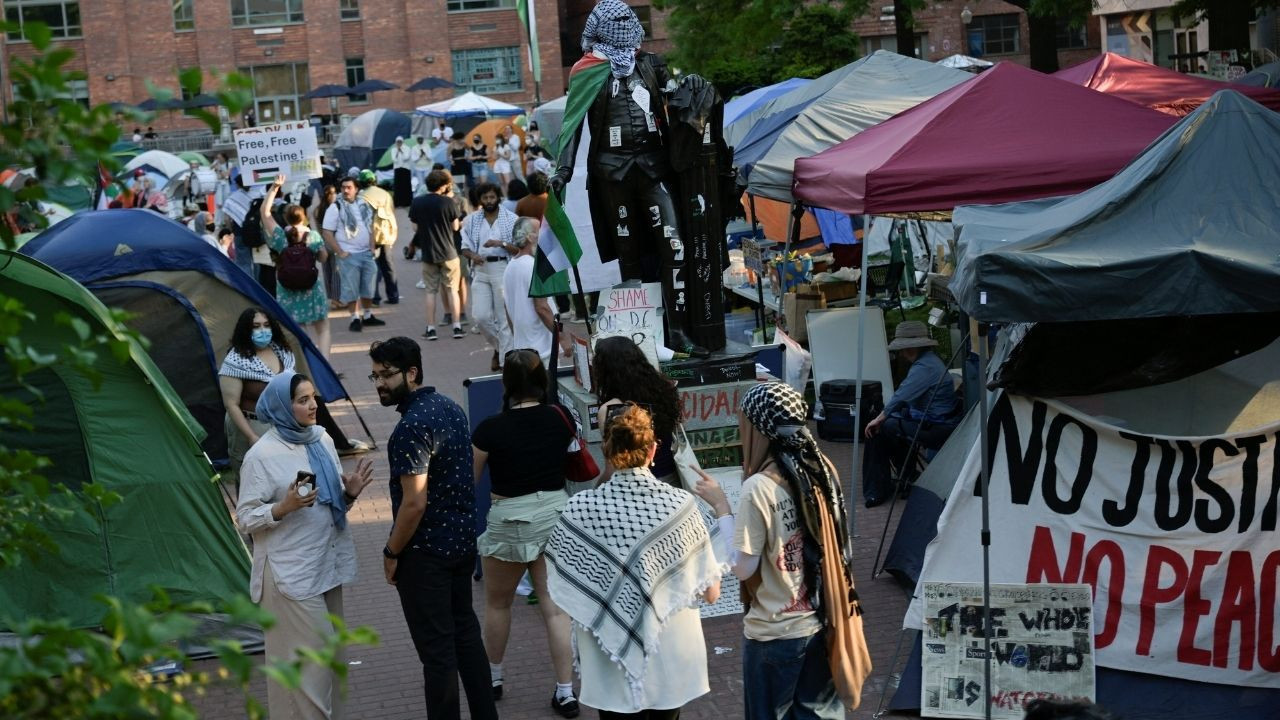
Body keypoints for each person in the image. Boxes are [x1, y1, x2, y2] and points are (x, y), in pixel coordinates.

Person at [545, 403, 722, 719]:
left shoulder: (579, 509)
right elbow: (711, 593)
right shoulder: (682, 506)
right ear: (653, 450)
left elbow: (562, 587)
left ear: (608, 450)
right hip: (670, 655)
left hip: (608, 657)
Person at [551, 0, 705, 355]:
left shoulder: (650, 63)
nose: (623, 25)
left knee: (674, 245)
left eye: (627, 19)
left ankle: (678, 330)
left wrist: (692, 87)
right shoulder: (587, 71)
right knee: (629, 256)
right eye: (615, 21)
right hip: (613, 174)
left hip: (653, 169)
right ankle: (643, 332)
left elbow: (675, 100)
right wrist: (563, 169)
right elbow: (572, 123)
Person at [368, 337, 498, 720]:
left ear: (411, 373)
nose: (379, 384)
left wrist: (391, 552)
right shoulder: (450, 407)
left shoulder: (411, 427)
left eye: (386, 375)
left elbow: (414, 503)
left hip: (425, 556)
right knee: (466, 636)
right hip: (460, 544)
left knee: (438, 654)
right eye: (375, 376)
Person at [236, 370, 374, 720]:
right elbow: (245, 519)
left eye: (314, 397)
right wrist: (282, 508)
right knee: (312, 670)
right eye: (302, 400)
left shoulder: (321, 438)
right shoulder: (262, 455)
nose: (313, 405)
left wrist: (349, 495)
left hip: (326, 565)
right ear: (282, 406)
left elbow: (329, 505)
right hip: (289, 575)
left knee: (329, 667)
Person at [734, 381, 871, 719]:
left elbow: (743, 568)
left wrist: (722, 511)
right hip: (823, 621)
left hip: (774, 631)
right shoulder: (821, 468)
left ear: (758, 428)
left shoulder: (757, 488)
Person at [470, 349, 577, 715]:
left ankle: (493, 678)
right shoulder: (561, 418)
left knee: (498, 603)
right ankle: (566, 692)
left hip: (510, 520)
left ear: (506, 384)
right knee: (556, 609)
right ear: (541, 381)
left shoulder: (489, 429)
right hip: (555, 513)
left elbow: (471, 479)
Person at [219, 308, 370, 492]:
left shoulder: (283, 352)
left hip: (284, 425)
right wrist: (251, 436)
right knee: (253, 481)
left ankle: (299, 504)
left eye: (266, 325)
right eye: (256, 326)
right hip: (252, 425)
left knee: (289, 474)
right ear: (246, 330)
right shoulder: (235, 360)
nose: (262, 331)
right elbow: (231, 404)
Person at [862, 320, 960, 507]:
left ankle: (878, 489)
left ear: (910, 348)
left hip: (937, 428)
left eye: (902, 349)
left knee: (878, 430)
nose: (901, 353)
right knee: (891, 426)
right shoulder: (929, 361)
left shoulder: (925, 367)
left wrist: (879, 419)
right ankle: (905, 477)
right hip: (938, 423)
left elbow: (902, 395)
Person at [590, 336, 681, 485]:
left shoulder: (611, 409)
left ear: (603, 370)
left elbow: (612, 466)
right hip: (671, 479)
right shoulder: (664, 389)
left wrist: (596, 490)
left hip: (633, 484)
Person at [262, 175, 332, 358]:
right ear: (304, 217)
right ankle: (325, 364)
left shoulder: (280, 236)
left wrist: (275, 187)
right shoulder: (312, 236)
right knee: (323, 328)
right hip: (311, 289)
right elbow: (323, 258)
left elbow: (265, 212)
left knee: (298, 331)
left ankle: (306, 362)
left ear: (286, 218)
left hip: (287, 290)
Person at [460, 182, 518, 372]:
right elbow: (464, 247)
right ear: (480, 200)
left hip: (502, 267)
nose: (489, 201)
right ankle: (500, 348)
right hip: (481, 269)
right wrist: (473, 255)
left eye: (492, 197)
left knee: (503, 319)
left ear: (498, 197)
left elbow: (519, 248)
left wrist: (501, 243)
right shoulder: (472, 220)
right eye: (485, 198)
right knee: (480, 317)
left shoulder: (511, 219)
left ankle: (506, 363)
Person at [321, 176, 386, 332]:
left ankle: (368, 315)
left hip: (366, 253)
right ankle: (355, 318)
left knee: (369, 287)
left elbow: (370, 226)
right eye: (343, 187)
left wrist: (372, 247)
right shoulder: (335, 207)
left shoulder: (364, 204)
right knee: (351, 289)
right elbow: (327, 232)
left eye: (349, 187)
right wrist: (340, 252)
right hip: (348, 255)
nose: (346, 190)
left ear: (356, 189)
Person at [502, 218, 569, 365]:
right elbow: (542, 307)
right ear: (530, 237)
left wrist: (517, 338)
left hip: (522, 349)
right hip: (542, 351)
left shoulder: (510, 267)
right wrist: (562, 337)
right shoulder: (535, 267)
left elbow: (507, 308)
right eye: (540, 231)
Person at [409, 169, 464, 341]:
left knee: (430, 291)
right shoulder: (448, 202)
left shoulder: (418, 202)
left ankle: (431, 328)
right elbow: (455, 227)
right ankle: (457, 326)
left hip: (428, 252)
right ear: (442, 186)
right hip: (449, 252)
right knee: (452, 290)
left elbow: (415, 227)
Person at [356, 169, 400, 307]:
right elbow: (392, 211)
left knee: (372, 267)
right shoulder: (385, 193)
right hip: (387, 233)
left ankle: (374, 298)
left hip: (371, 235)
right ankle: (393, 296)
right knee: (388, 265)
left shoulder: (362, 196)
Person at [314, 185, 342, 305]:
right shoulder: (335, 209)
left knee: (327, 272)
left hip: (323, 243)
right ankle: (336, 298)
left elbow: (318, 228)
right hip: (334, 242)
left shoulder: (318, 209)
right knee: (336, 271)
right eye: (334, 193)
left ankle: (331, 296)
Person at [392, 136, 414, 207]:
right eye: (398, 142)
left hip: (405, 169)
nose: (399, 143)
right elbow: (394, 159)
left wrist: (401, 151)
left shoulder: (407, 148)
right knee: (398, 186)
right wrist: (397, 152)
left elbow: (406, 158)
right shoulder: (394, 149)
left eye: (400, 142)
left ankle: (407, 202)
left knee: (406, 185)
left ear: (402, 142)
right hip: (397, 169)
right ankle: (398, 203)